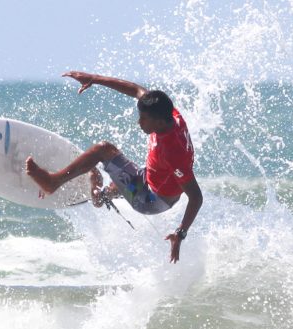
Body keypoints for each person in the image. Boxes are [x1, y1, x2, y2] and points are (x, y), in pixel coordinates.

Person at [25, 71, 203, 263]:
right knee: (111, 186)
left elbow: (195, 197)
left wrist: (180, 234)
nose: (138, 122)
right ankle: (98, 194)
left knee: (103, 150)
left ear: (159, 121)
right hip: (148, 176)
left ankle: (53, 182)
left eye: (143, 119)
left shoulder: (173, 153)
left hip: (151, 199)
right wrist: (94, 79)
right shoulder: (169, 114)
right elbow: (136, 90)